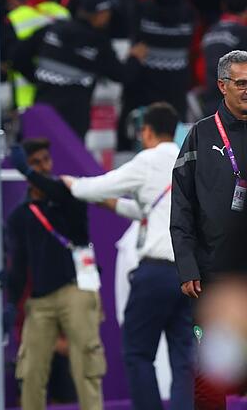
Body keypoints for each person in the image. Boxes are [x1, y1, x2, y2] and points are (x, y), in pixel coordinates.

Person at [62, 102, 194, 410]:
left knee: (138, 354)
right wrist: (114, 205)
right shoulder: (188, 159)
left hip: (156, 272)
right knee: (184, 358)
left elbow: (94, 188)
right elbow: (150, 210)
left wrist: (73, 184)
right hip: (189, 273)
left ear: (146, 131)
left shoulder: (147, 160)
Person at [171, 49, 247, 407]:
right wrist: (187, 266)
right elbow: (182, 206)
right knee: (211, 372)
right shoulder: (200, 136)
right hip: (212, 276)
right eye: (242, 83)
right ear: (222, 85)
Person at [8, 138, 104, 410]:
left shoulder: (69, 195)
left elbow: (58, 191)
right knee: (30, 373)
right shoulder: (20, 216)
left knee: (86, 366)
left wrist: (28, 172)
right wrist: (11, 303)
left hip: (76, 290)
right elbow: (19, 265)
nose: (43, 167)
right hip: (39, 301)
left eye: (45, 161)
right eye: (35, 163)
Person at [12, 0, 137, 139]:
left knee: (38, 159)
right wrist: (134, 57)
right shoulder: (98, 43)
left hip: (43, 112)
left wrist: (40, 79)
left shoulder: (52, 29)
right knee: (68, 163)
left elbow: (17, 58)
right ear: (100, 14)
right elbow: (122, 75)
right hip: (73, 122)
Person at [117, 0, 194, 151]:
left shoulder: (142, 11)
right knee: (174, 135)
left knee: (140, 133)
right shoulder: (189, 14)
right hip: (176, 87)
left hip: (144, 86)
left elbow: (136, 42)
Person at [6, 0, 70, 110]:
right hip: (59, 88)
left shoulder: (15, 17)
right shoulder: (62, 14)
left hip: (25, 95)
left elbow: (9, 55)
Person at [200, 0, 247, 116]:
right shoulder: (243, 33)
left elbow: (200, 69)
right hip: (236, 109)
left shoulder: (210, 32)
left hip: (211, 107)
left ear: (224, 5)